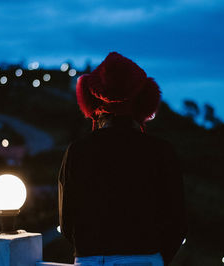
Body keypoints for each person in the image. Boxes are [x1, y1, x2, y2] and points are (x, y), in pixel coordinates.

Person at [58, 52, 187, 266]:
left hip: (90, 259)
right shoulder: (161, 151)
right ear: (145, 102)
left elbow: (66, 222)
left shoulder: (77, 151)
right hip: (146, 259)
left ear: (92, 103)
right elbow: (177, 222)